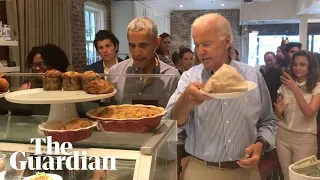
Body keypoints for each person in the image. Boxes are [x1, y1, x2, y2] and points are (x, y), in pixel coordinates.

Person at [164, 13, 277, 180]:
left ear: (227, 42)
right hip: (202, 170)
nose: (200, 51)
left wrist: (260, 145)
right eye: (197, 45)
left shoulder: (252, 76)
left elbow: (268, 121)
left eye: (207, 44)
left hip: (246, 171)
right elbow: (170, 125)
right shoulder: (189, 78)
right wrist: (186, 100)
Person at [107, 17, 180, 108]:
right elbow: (108, 113)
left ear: (157, 43)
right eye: (132, 46)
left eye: (143, 45)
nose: (136, 52)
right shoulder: (115, 73)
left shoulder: (172, 77)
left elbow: (177, 117)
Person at [274, 50, 320, 180]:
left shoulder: (317, 87)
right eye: (295, 64)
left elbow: (309, 113)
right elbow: (277, 117)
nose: (297, 68)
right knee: (287, 177)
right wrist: (279, 110)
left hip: (304, 139)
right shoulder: (285, 86)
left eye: (302, 64)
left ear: (310, 67)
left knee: (301, 178)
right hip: (283, 136)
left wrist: (295, 88)